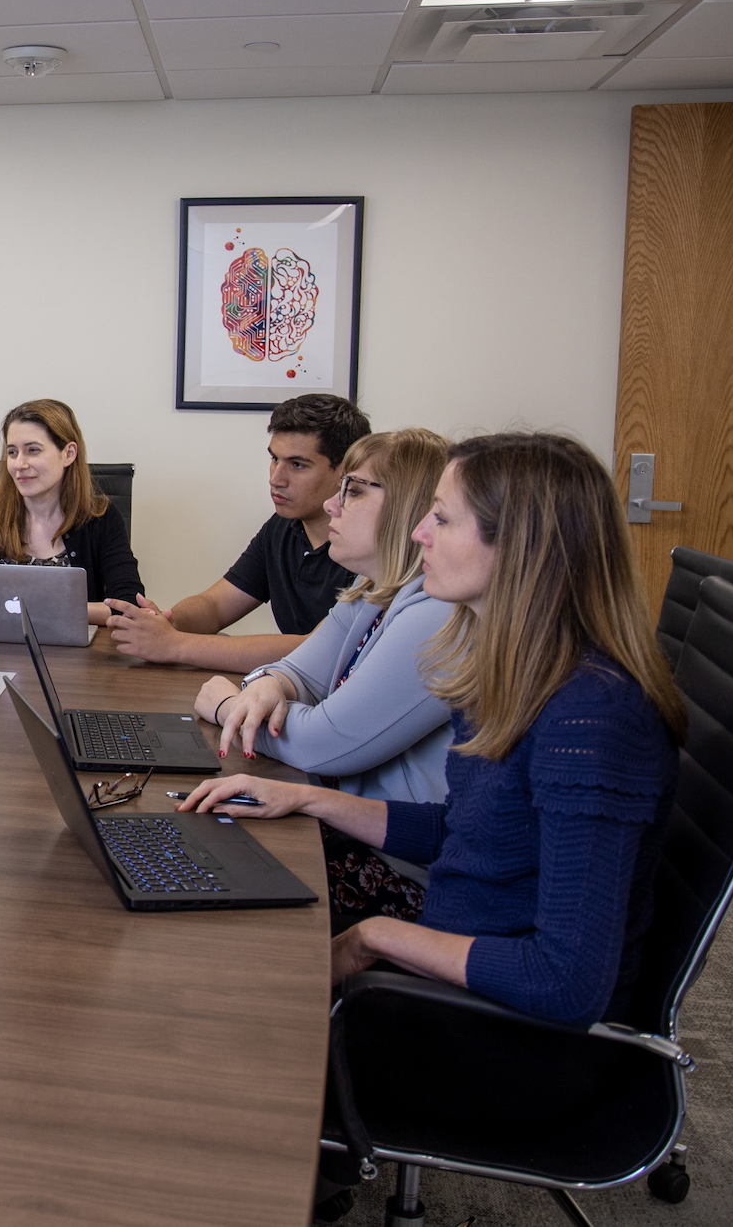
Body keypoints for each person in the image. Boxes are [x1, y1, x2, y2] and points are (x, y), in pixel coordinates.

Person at [179, 431, 684, 1030]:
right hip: (450, 967)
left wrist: (374, 938)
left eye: (441, 520)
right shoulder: (513, 671)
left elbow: (565, 984)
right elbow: (465, 832)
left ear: (519, 547)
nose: (418, 534)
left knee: (212, 986)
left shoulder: (591, 719)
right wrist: (306, 798)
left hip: (504, 1037)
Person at [190, 428, 456, 924]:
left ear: (408, 509)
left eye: (352, 491)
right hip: (351, 828)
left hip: (411, 874)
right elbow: (295, 670)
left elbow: (323, 744)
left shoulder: (436, 613)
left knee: (209, 874)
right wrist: (269, 685)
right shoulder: (374, 587)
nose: (332, 506)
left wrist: (229, 708)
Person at [107, 393, 368, 672]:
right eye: (274, 459)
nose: (276, 479)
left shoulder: (368, 548)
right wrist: (170, 621)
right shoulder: (282, 527)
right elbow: (215, 605)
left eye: (297, 465)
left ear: (345, 472)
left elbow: (317, 649)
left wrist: (175, 644)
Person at [0, 398, 142, 626]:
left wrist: (28, 610)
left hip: (74, 658)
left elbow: (129, 607)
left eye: (33, 450)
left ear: (68, 453)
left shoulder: (101, 519)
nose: (19, 464)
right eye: (12, 452)